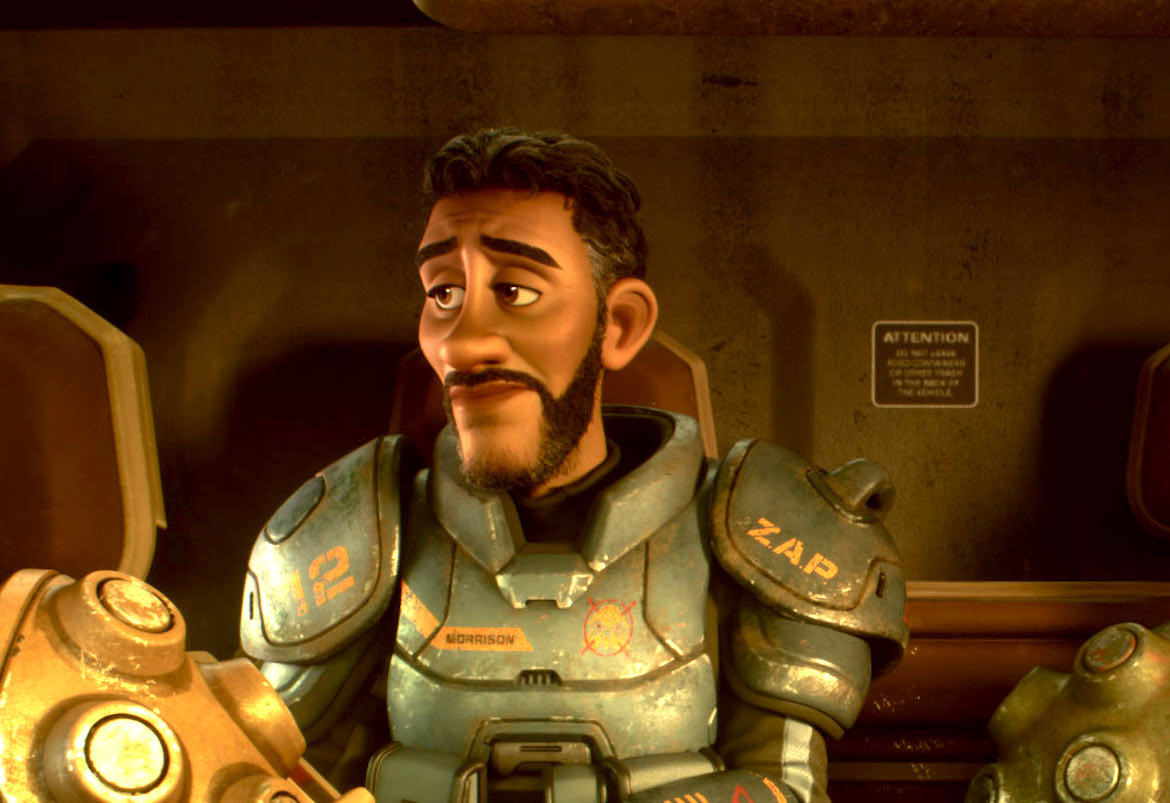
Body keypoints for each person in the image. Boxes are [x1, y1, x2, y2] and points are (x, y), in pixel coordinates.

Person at [239, 128, 908, 803]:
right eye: (443, 293)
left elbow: (785, 789)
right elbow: (262, 770)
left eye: (515, 290)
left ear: (619, 324)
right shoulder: (360, 534)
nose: (461, 343)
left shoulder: (758, 530)